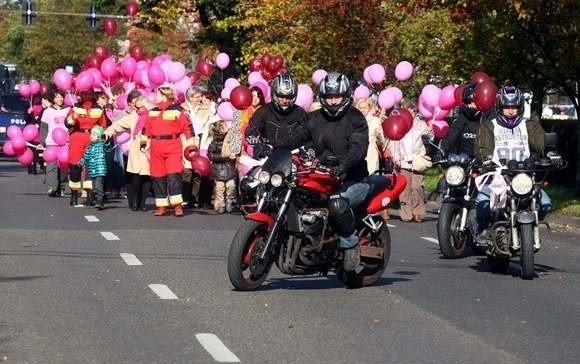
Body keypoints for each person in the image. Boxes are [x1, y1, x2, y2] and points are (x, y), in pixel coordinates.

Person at [286, 72, 369, 271]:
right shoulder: (314, 117)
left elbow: (358, 148)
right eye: (329, 97)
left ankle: (350, 244)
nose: (333, 101)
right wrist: (274, 148)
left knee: (337, 203)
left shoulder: (356, 119)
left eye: (337, 97)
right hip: (322, 175)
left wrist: (344, 165)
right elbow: (296, 137)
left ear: (346, 96)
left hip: (352, 177)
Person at [472, 85, 550, 239]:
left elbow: (541, 147)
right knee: (482, 202)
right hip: (498, 176)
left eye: (514, 106)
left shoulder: (529, 125)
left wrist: (550, 155)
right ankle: (482, 227)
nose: (510, 110)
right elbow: (482, 148)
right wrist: (486, 160)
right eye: (507, 107)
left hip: (524, 176)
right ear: (499, 107)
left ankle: (530, 227)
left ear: (520, 107)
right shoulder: (489, 126)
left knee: (546, 203)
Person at [141, 86, 195, 217]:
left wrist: (191, 147)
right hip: (156, 148)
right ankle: (161, 206)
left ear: (165, 96)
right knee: (158, 177)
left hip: (172, 147)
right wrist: (143, 142)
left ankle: (177, 206)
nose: (155, 96)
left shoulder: (178, 111)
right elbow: (146, 128)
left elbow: (188, 129)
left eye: (157, 94)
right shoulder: (152, 112)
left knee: (173, 176)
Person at [104, 90, 152, 212]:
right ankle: (134, 200)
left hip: (150, 148)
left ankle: (143, 202)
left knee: (147, 177)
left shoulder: (153, 115)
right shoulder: (133, 116)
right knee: (135, 176)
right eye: (137, 105)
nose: (140, 107)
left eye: (142, 104)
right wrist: (107, 133)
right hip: (136, 148)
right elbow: (117, 125)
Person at [245, 73, 308, 158]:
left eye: (288, 97)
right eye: (281, 96)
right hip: (267, 157)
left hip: (293, 157)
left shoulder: (300, 113)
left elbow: (305, 135)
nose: (285, 101)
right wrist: (257, 144)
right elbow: (252, 130)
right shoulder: (263, 111)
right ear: (274, 94)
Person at [391, 100, 433, 223]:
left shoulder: (421, 124)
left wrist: (430, 133)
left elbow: (428, 140)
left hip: (417, 160)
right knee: (404, 189)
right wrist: (396, 157)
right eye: (408, 110)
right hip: (403, 161)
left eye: (413, 110)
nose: (411, 113)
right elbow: (394, 141)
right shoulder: (399, 123)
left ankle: (418, 212)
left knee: (417, 187)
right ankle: (406, 214)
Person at [66, 89, 108, 206]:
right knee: (75, 167)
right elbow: (67, 123)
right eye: (85, 94)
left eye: (90, 94)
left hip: (92, 139)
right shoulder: (75, 107)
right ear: (81, 94)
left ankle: (90, 195)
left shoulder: (98, 109)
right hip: (77, 138)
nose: (88, 96)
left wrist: (102, 138)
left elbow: (103, 125)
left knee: (91, 167)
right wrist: (73, 117)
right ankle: (74, 194)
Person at [440, 83, 482, 158]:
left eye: (473, 101)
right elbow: (450, 137)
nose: (471, 104)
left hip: (483, 163)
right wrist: (441, 151)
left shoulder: (487, 118)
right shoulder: (461, 118)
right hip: (462, 163)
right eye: (468, 101)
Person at [40, 90, 70, 197]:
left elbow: (71, 125)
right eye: (57, 97)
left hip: (65, 143)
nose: (60, 99)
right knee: (51, 166)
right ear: (53, 99)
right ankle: (53, 187)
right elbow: (43, 128)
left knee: (63, 167)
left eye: (61, 97)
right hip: (51, 142)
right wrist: (42, 142)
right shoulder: (47, 111)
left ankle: (61, 187)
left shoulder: (68, 109)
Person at [77, 125, 112, 210]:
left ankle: (100, 202)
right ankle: (97, 199)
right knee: (94, 186)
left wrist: (106, 141)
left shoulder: (101, 144)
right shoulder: (90, 146)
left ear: (99, 136)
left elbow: (108, 149)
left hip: (100, 170)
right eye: (91, 134)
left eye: (93, 134)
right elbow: (86, 157)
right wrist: (80, 164)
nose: (91, 136)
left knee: (98, 186)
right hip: (92, 170)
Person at [207, 120, 237, 214]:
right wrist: (224, 156)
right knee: (219, 188)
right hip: (218, 169)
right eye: (224, 126)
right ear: (220, 130)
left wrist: (234, 154)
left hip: (229, 167)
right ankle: (221, 203)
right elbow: (210, 155)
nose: (227, 127)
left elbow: (236, 149)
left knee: (231, 186)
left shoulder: (230, 139)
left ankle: (229, 200)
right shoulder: (214, 142)